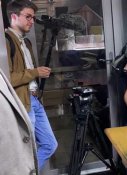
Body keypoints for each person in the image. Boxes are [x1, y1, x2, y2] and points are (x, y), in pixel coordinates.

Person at [6, 0, 57, 170]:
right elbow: (8, 79)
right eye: (28, 16)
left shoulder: (26, 42)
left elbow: (28, 73)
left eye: (33, 17)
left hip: (34, 101)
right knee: (27, 151)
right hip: (22, 102)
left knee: (50, 145)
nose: (32, 21)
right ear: (14, 16)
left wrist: (38, 74)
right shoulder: (6, 42)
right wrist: (35, 72)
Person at [0, 69, 38, 175]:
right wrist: (35, 72)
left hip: (32, 99)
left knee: (50, 144)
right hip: (25, 102)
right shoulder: (9, 52)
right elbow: (12, 77)